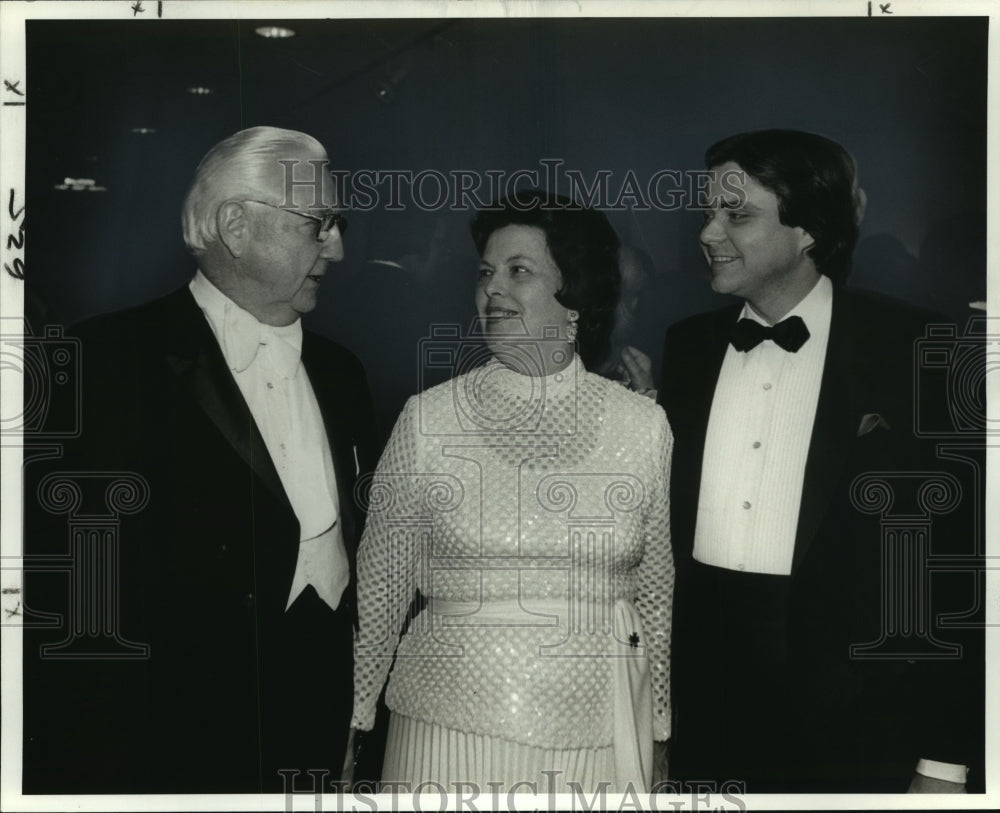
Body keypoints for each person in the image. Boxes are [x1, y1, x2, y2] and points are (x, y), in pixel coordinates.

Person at [23, 126, 377, 793]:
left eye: (337, 223)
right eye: (318, 223)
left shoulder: (344, 373)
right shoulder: (102, 360)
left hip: (313, 735)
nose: (337, 246)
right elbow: (67, 598)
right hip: (166, 747)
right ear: (236, 226)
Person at [658, 129, 983, 793]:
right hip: (704, 718)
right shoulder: (685, 347)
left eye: (737, 214)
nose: (709, 232)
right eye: (707, 212)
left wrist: (945, 757)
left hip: (856, 729)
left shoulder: (917, 344)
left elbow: (955, 567)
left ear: (807, 229)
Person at [351, 190, 673, 794]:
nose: (491, 289)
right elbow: (380, 594)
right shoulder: (427, 419)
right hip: (441, 732)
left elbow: (655, 595)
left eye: (518, 271)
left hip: (599, 737)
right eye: (484, 272)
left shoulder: (643, 426)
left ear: (574, 296)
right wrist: (355, 723)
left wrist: (659, 732)